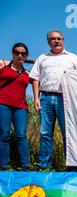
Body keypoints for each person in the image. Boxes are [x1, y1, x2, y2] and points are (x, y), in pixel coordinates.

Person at [29, 30, 77, 171]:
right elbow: (35, 78)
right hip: (45, 98)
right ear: (48, 42)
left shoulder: (74, 58)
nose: (56, 41)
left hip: (66, 99)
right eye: (53, 39)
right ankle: (44, 165)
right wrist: (36, 98)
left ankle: (72, 167)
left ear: (63, 40)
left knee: (68, 133)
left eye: (59, 38)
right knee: (45, 133)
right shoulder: (42, 58)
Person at [0, 43, 35, 171]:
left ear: (27, 55)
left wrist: (36, 98)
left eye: (23, 53)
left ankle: (25, 165)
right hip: (3, 104)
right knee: (4, 134)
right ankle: (3, 165)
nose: (20, 55)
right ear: (12, 53)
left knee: (21, 135)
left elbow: (37, 80)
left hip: (21, 107)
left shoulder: (27, 73)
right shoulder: (3, 64)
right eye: (17, 52)